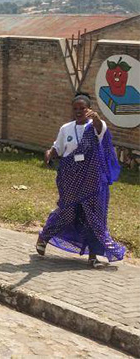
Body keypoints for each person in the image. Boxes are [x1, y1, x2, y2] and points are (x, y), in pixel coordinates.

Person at [37, 94, 125, 267]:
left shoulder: (95, 127)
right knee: (68, 213)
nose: (78, 112)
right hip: (71, 179)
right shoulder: (66, 128)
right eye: (75, 108)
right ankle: (44, 237)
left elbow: (101, 130)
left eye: (82, 108)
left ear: (89, 109)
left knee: (94, 217)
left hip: (93, 181)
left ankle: (93, 256)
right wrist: (50, 153)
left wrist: (97, 118)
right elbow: (58, 148)